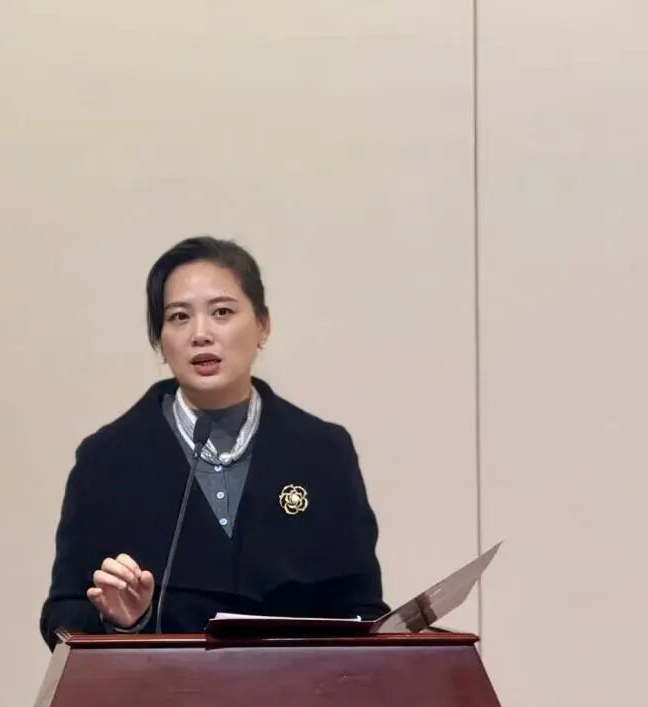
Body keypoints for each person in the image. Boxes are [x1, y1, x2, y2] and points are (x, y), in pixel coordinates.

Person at [38, 236, 388, 649]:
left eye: (222, 312)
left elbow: (364, 608)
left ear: (262, 325)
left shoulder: (323, 452)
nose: (200, 334)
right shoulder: (107, 460)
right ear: (160, 340)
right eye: (179, 317)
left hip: (298, 687)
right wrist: (124, 623)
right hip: (162, 687)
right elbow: (62, 616)